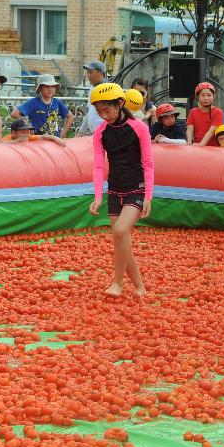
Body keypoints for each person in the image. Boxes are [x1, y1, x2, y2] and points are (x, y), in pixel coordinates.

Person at [88, 83, 154, 297]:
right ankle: (140, 287)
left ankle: (117, 283)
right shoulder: (100, 132)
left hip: (136, 188)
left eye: (107, 110)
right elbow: (98, 165)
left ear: (120, 104)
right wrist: (98, 196)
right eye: (99, 111)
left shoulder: (139, 128)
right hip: (115, 189)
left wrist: (148, 196)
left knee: (119, 232)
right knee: (121, 238)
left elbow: (148, 163)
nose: (103, 115)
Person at [186, 82, 224, 146]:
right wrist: (189, 143)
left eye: (209, 95)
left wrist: (201, 145)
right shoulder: (192, 112)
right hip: (197, 148)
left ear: (213, 96)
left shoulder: (218, 112)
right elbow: (189, 130)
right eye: (202, 95)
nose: (206, 98)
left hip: (214, 149)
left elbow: (211, 131)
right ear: (197, 97)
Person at [77, 61, 109, 136]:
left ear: (100, 73)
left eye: (91, 72)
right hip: (95, 134)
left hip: (106, 134)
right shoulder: (92, 89)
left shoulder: (108, 91)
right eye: (87, 72)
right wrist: (81, 131)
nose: (88, 76)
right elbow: (91, 111)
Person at [2, 117, 66, 147]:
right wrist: (17, 141)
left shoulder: (28, 137)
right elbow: (0, 144)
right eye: (23, 132)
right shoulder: (8, 138)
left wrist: (56, 138)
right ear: (13, 133)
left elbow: (43, 136)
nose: (26, 135)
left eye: (27, 132)